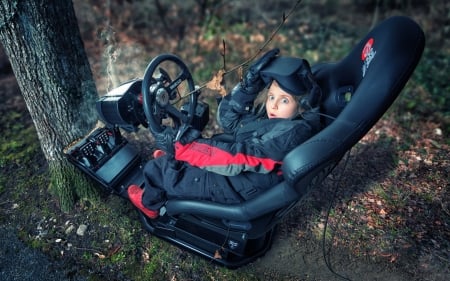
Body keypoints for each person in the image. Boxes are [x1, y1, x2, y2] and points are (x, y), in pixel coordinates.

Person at [127, 48, 322, 219]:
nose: (274, 104)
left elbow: (239, 158)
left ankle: (149, 204)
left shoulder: (291, 134)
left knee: (157, 171)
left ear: (302, 105)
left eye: (285, 100)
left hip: (233, 186)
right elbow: (230, 120)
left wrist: (185, 146)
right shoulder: (277, 121)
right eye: (271, 96)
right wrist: (248, 87)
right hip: (241, 178)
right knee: (178, 154)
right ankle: (176, 160)